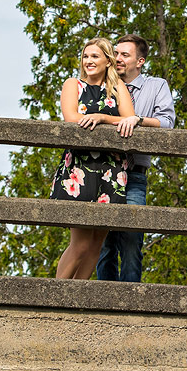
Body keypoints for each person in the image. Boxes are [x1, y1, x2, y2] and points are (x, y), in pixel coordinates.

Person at [50, 37, 138, 280]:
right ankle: (54, 297)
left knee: (96, 243)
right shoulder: (73, 85)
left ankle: (76, 297)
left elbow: (129, 119)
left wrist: (102, 117)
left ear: (108, 61)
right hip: (80, 169)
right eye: (86, 56)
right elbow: (71, 119)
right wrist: (109, 119)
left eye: (95, 56)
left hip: (111, 170)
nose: (89, 61)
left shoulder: (118, 87)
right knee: (80, 243)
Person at [96, 33, 176, 283]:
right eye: (116, 53)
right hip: (102, 171)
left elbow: (167, 123)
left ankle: (130, 304)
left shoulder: (156, 86)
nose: (117, 58)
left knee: (131, 243)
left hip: (134, 175)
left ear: (139, 61)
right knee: (102, 244)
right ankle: (103, 302)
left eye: (124, 55)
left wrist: (138, 120)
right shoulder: (101, 83)